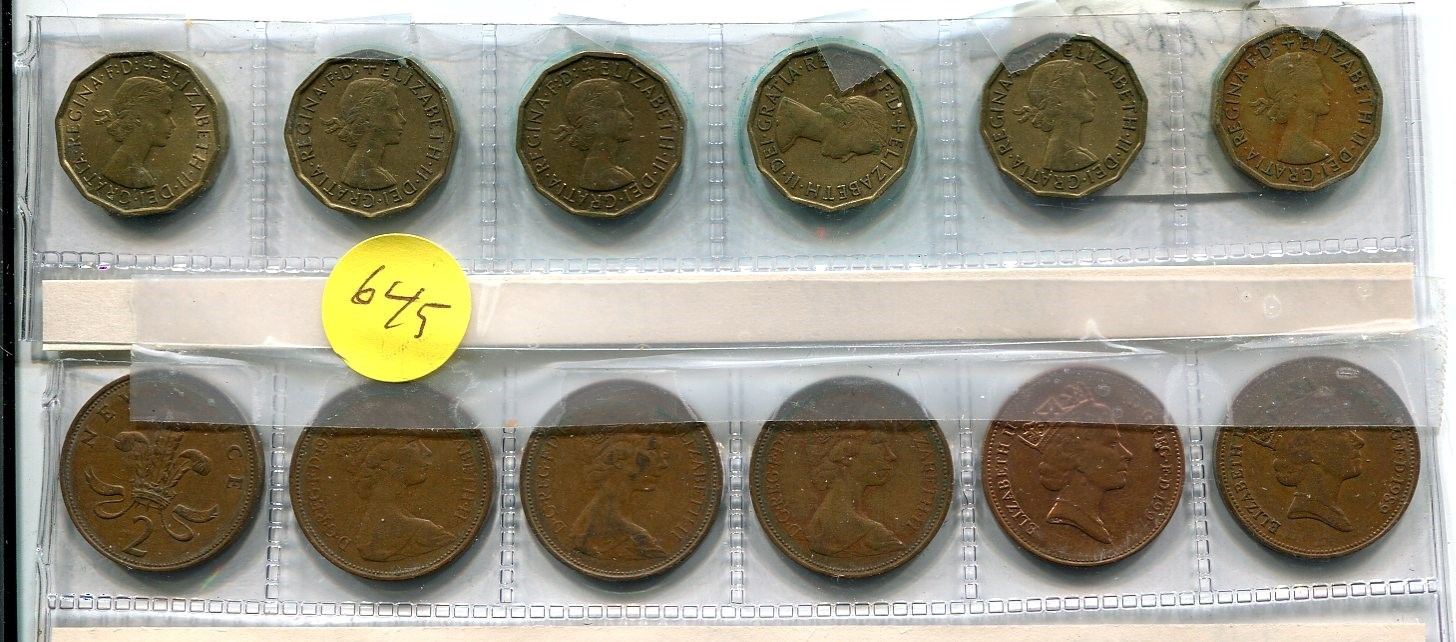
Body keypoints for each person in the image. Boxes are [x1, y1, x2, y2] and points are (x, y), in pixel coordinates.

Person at [1034, 401, 1134, 544]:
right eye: (1112, 444)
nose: (1128, 454)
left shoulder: (1092, 522)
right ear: (1076, 455)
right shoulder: (1069, 517)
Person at [804, 430, 905, 558]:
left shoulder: (818, 526)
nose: (891, 456)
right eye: (880, 446)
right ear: (846, 457)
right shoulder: (875, 537)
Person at [569, 434, 670, 560]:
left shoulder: (584, 527)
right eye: (648, 457)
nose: (663, 464)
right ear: (619, 462)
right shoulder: (640, 539)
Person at [352, 439, 454, 563]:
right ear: (393, 465)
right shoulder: (425, 531)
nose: (427, 453)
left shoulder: (368, 529)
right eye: (414, 445)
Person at [1249, 428, 1366, 532]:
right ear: (1313, 452)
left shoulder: (1331, 511)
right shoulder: (1310, 510)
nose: (1360, 441)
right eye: (1342, 432)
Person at [1014, 59, 1099, 172]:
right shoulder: (1071, 157)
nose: (1093, 96)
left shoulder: (1070, 152)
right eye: (1081, 89)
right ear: (1059, 99)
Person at [322, 77, 407, 190]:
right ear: (368, 118)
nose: (402, 120)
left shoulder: (368, 170)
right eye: (393, 110)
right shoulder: (371, 175)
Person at [553, 79, 638, 191]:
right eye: (619, 108)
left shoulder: (612, 173)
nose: (630, 115)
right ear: (595, 118)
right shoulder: (608, 177)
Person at [1250, 51, 1334, 165]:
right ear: (1295, 94)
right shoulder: (1309, 151)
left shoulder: (1312, 147)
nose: (1329, 90)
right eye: (1318, 83)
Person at [94, 76, 177, 189]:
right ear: (138, 116)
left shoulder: (133, 169)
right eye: (165, 113)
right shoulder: (128, 172)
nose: (173, 125)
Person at [773, 94, 892, 162]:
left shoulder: (786, 133)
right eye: (853, 149)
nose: (845, 159)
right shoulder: (784, 128)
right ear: (846, 122)